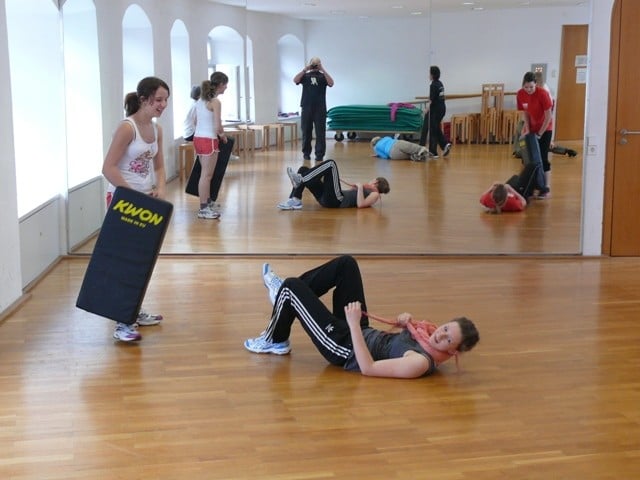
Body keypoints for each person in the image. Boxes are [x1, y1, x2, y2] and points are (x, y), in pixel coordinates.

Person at [244, 256, 480, 378]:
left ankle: (275, 339)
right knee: (346, 265)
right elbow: (395, 344)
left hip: (344, 348)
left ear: (454, 352)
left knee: (292, 287)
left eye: (449, 339)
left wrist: (354, 325)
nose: (441, 335)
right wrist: (403, 322)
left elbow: (368, 368)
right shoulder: (426, 334)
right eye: (446, 328)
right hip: (359, 332)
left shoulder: (419, 363)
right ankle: (284, 301)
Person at [102, 76, 170, 342]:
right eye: (158, 100)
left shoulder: (157, 129)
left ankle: (133, 309)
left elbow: (160, 166)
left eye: (165, 100)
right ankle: (122, 321)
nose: (163, 105)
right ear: (143, 99)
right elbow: (108, 168)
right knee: (124, 260)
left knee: (140, 259)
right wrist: (131, 195)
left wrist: (160, 189)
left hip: (144, 199)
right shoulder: (127, 128)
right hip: (122, 199)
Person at [277, 160, 390, 210]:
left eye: (372, 180)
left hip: (337, 201)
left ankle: (301, 180)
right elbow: (353, 196)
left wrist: (360, 187)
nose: (370, 181)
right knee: (303, 169)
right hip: (326, 198)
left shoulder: (375, 194)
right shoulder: (367, 190)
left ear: (376, 182)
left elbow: (361, 205)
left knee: (331, 164)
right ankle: (295, 200)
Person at [193, 71, 229, 219]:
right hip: (209, 140)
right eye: (225, 85)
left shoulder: (200, 101)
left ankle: (207, 203)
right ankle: (204, 208)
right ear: (220, 84)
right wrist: (223, 136)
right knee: (207, 176)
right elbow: (217, 126)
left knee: (205, 174)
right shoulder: (215, 102)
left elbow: (195, 121)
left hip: (198, 139)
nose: (226, 87)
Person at [517, 71, 554, 198]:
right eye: (526, 87)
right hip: (532, 128)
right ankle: (529, 186)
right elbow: (526, 113)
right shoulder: (520, 94)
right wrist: (527, 128)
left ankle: (546, 188)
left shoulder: (543, 94)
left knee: (542, 158)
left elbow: (548, 116)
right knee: (527, 159)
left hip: (545, 128)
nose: (528, 90)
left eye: (531, 87)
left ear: (536, 84)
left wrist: (540, 134)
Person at [293, 56, 334, 162]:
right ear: (310, 63)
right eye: (314, 63)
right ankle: (306, 153)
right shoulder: (305, 76)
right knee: (306, 131)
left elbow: (331, 83)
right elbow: (295, 80)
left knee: (320, 132)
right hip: (306, 107)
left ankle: (319, 154)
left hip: (320, 108)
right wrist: (305, 69)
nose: (315, 65)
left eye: (317, 63)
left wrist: (322, 69)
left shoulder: (323, 76)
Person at [419, 66, 451, 158]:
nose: (428, 75)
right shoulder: (440, 83)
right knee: (436, 128)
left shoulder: (433, 85)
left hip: (436, 110)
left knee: (433, 129)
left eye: (429, 73)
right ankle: (445, 145)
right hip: (442, 108)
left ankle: (433, 152)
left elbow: (431, 100)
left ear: (432, 75)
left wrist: (426, 109)